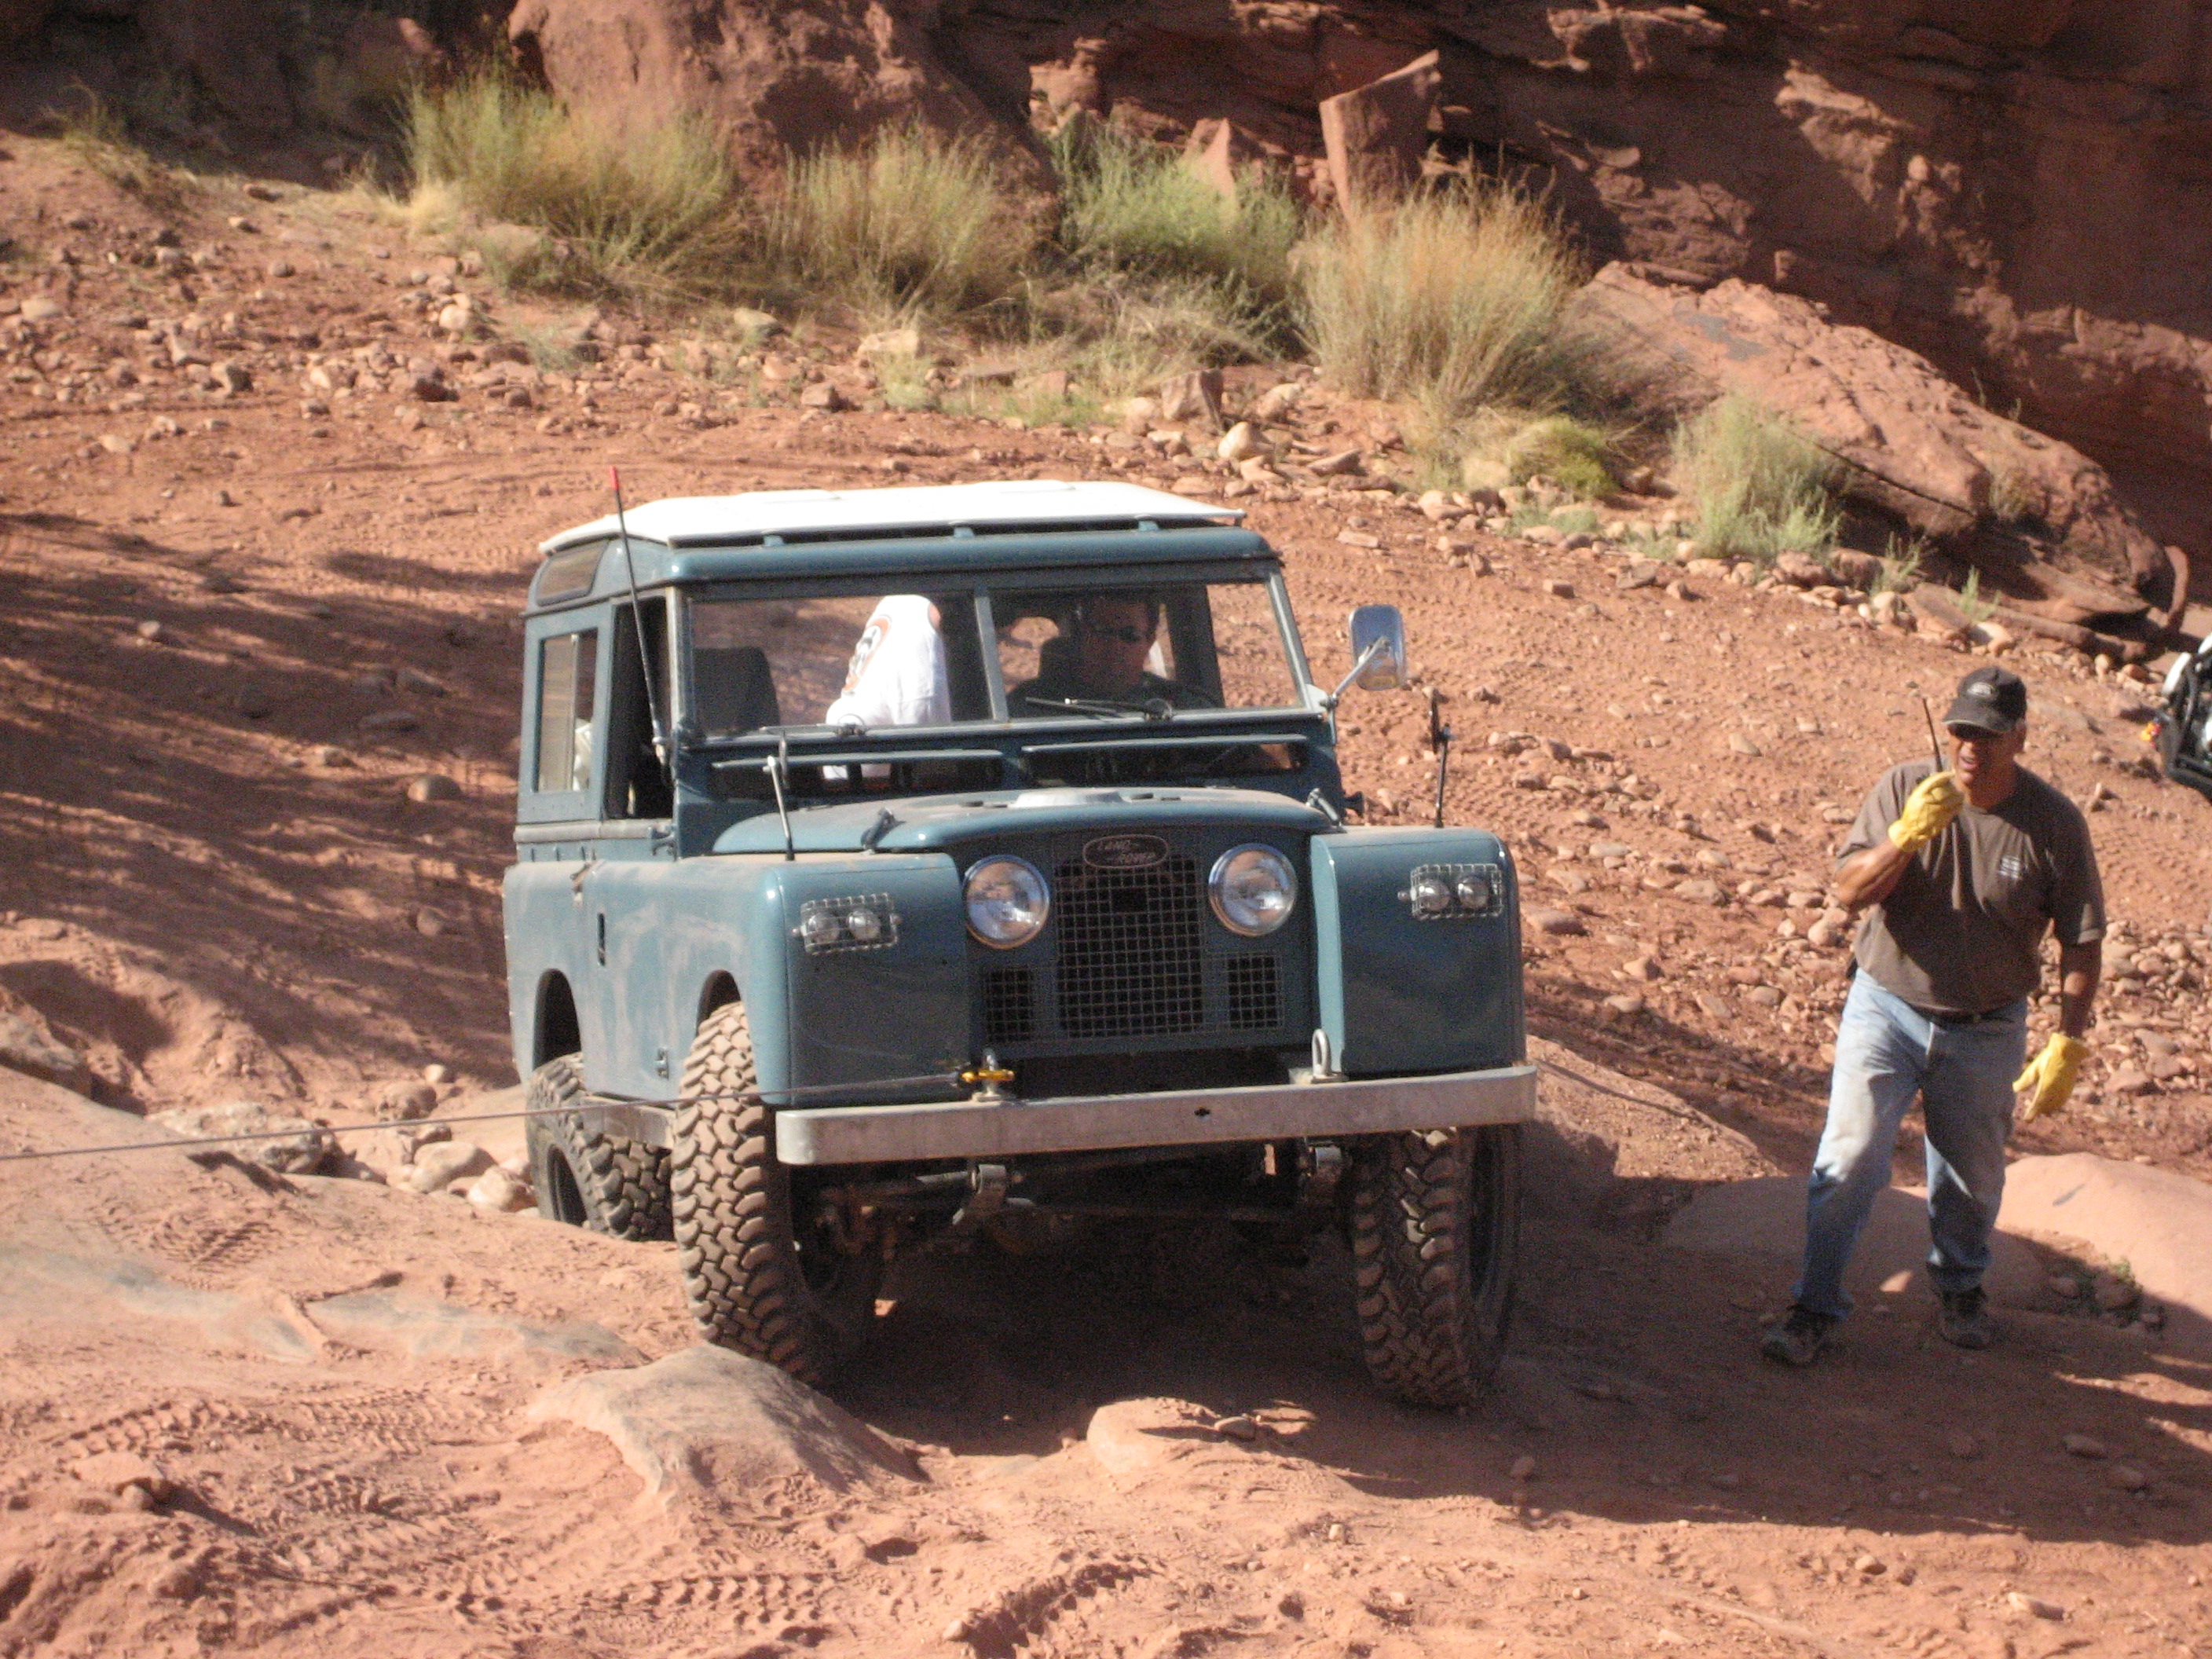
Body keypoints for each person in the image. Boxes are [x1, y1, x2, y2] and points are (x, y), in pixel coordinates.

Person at [1763, 665, 2105, 1366]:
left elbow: (2081, 939)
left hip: (1987, 1026)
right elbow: (1848, 892)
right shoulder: (1903, 788)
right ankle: (1813, 1306)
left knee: (1972, 1178)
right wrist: (1907, 834)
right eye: (1961, 731)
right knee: (1848, 1159)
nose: (1970, 747)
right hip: (1885, 1008)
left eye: (1988, 734)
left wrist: (2069, 1040)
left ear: (2020, 737)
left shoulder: (2053, 823)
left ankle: (1960, 1288)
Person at [1009, 593, 1211, 716]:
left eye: (1129, 635)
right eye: (1103, 631)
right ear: (1084, 635)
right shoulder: (1030, 706)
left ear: (1149, 641)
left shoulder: (1183, 707)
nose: (1115, 645)